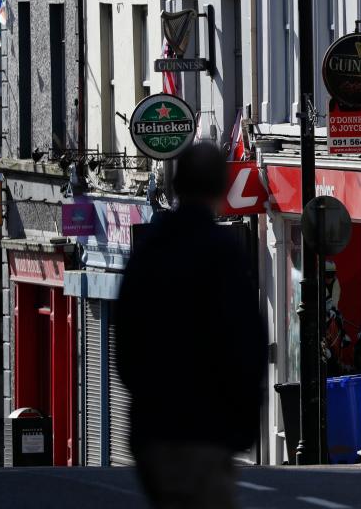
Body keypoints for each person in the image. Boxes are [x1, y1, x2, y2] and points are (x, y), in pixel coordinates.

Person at [117, 143, 267, 509]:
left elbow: (126, 338)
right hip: (206, 430)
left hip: (153, 431)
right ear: (221, 188)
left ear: (176, 184)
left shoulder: (149, 247)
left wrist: (147, 398)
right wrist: (241, 425)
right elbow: (247, 342)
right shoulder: (222, 252)